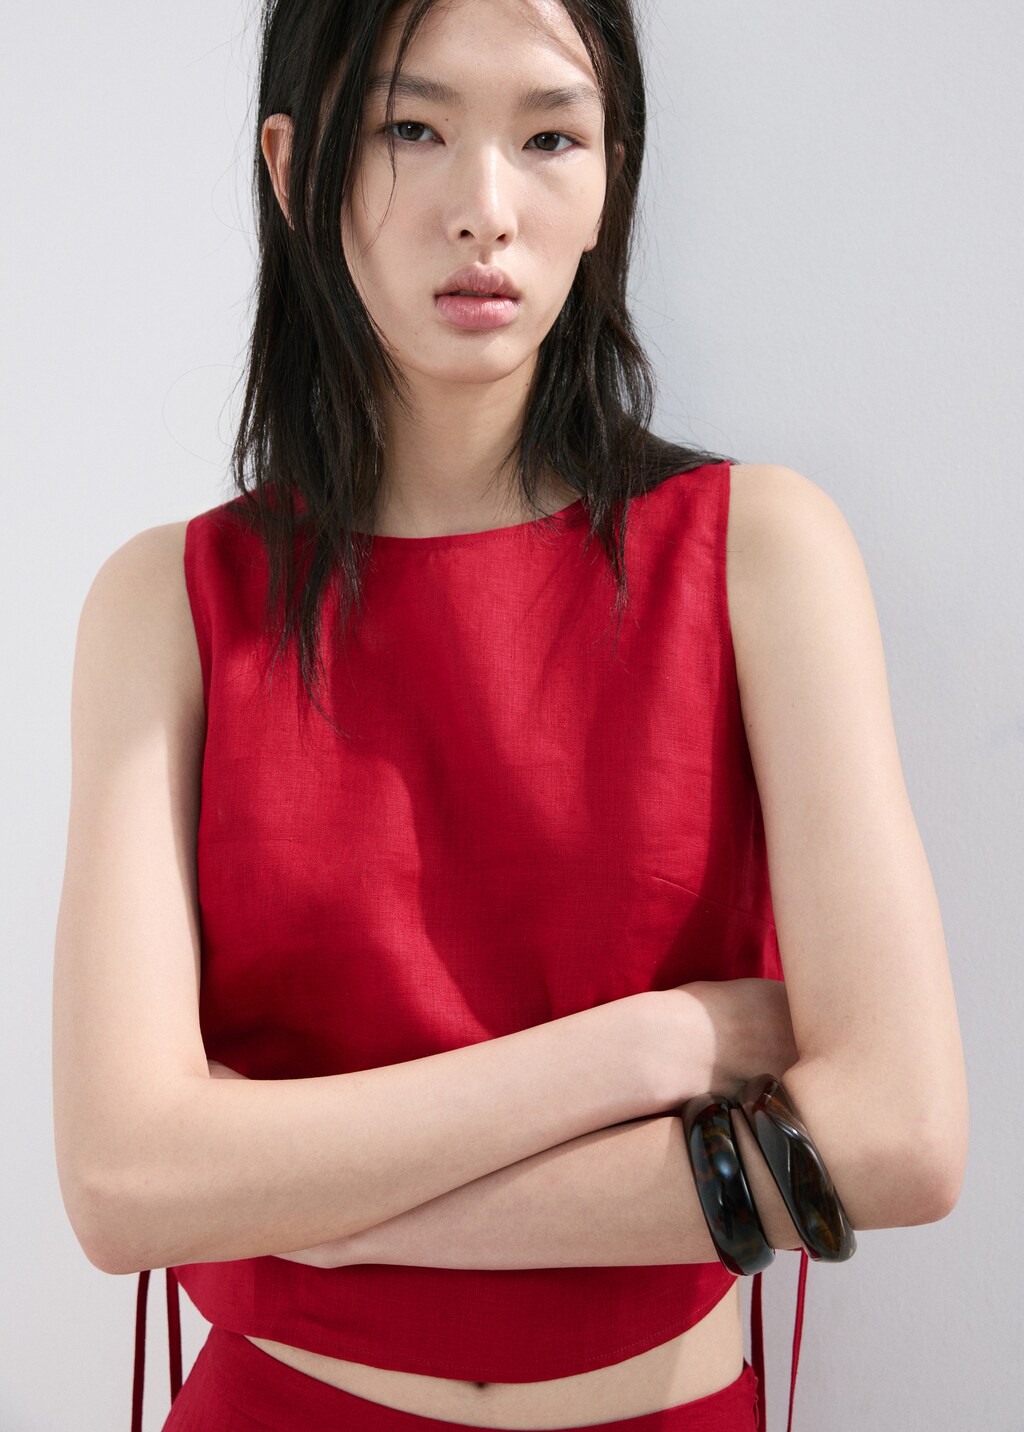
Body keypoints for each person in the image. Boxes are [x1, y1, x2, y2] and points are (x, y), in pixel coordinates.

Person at [51, 1, 969, 1430]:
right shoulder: (168, 604)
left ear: (611, 178)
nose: (485, 207)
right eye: (410, 128)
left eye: (550, 137)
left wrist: (317, 1202)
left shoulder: (759, 553)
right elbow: (124, 1186)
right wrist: (649, 1048)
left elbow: (901, 1138)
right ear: (292, 171)